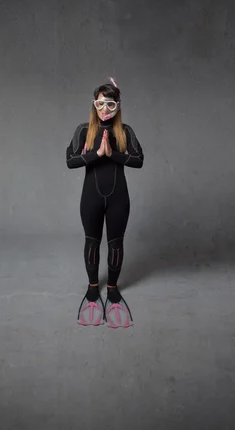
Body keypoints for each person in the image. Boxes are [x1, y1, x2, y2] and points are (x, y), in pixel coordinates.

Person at [66, 78, 144, 328]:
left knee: (115, 244)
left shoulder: (125, 132)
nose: (105, 110)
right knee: (92, 242)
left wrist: (113, 154)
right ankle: (92, 289)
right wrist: (96, 155)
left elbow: (139, 160)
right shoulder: (83, 131)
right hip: (91, 198)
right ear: (94, 105)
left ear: (117, 106)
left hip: (118, 198)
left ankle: (111, 289)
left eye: (110, 104)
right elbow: (70, 161)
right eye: (100, 104)